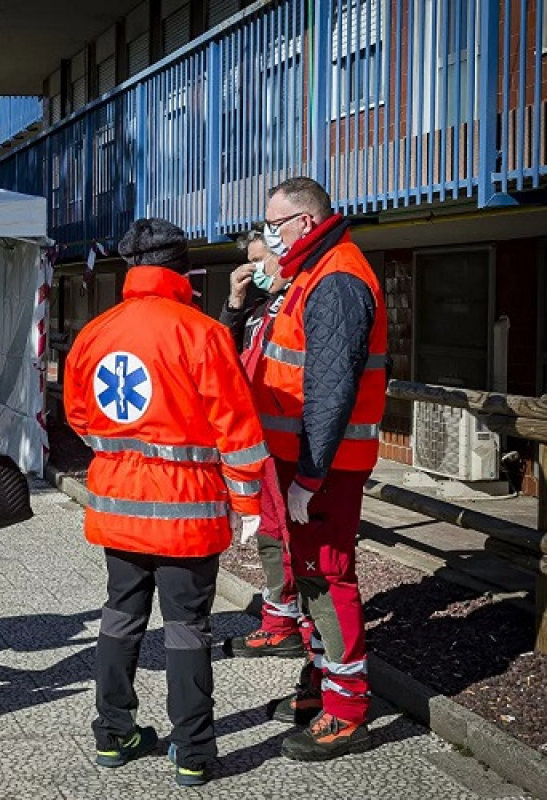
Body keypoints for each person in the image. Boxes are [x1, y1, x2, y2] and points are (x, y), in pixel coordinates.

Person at [64, 218, 267, 787]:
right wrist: (249, 502)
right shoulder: (202, 333)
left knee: (120, 618)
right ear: (183, 270)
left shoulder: (95, 332)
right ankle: (194, 751)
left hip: (117, 508)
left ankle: (113, 735)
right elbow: (239, 429)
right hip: (188, 514)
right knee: (186, 630)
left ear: (132, 268)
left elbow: (80, 417)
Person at [252, 176, 387, 761]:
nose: (268, 237)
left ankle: (346, 710)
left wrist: (309, 476)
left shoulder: (336, 277)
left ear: (304, 222)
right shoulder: (314, 270)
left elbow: (330, 390)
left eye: (273, 225)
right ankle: (321, 684)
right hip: (303, 460)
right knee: (310, 578)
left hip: (322, 466)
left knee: (328, 580)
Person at [219, 230, 309, 659]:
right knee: (271, 533)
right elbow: (223, 355)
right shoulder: (260, 305)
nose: (255, 271)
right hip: (263, 443)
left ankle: (306, 635)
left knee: (296, 539)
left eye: (262, 261)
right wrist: (235, 304)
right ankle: (279, 622)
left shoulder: (302, 300)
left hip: (295, 444)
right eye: (249, 263)